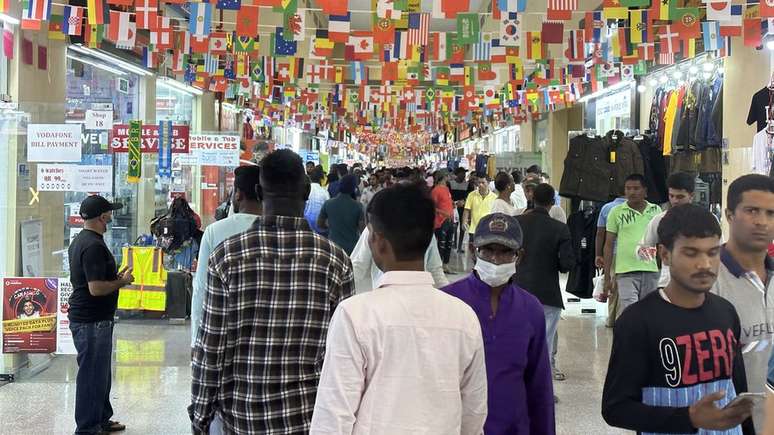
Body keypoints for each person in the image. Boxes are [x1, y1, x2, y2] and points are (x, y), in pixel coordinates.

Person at [190, 150, 355, 435]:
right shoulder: (336, 260)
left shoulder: (227, 256)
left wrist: (200, 414)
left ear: (258, 191)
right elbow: (345, 352)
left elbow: (212, 346)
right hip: (309, 416)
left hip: (242, 417)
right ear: (306, 190)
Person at [310, 184, 487, 434]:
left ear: (379, 242)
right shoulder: (464, 317)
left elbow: (333, 415)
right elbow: (474, 413)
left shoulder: (354, 315)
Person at [602, 204, 754, 435]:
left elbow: (738, 392)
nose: (704, 264)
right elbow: (616, 408)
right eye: (691, 253)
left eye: (713, 252)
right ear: (665, 254)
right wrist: (689, 417)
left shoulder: (725, 313)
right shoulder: (637, 322)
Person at [443, 213, 555, 434]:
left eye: (505, 252)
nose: (495, 259)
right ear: (474, 251)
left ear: (519, 256)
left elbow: (539, 384)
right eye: (488, 250)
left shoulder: (530, 308)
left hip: (513, 427)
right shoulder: (447, 302)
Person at [711, 174, 774, 431]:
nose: (762, 222)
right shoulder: (706, 278)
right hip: (729, 424)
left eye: (771, 213)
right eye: (751, 211)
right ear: (729, 215)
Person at [68, 195, 133, 435]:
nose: (111, 217)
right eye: (108, 213)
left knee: (101, 373)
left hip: (93, 319)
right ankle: (87, 427)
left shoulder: (82, 240)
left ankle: (102, 419)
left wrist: (114, 278)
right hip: (91, 321)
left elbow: (92, 281)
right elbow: (95, 288)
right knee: (91, 375)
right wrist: (122, 282)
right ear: (102, 216)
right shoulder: (93, 245)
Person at [190, 166, 261, 347]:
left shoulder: (216, 231)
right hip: (265, 339)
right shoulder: (278, 230)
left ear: (238, 194)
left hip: (224, 335)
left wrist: (196, 340)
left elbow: (201, 289)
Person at [515, 184, 575, 387]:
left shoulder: (516, 223)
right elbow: (567, 264)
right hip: (548, 294)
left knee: (518, 339)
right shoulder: (559, 228)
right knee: (545, 344)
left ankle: (517, 385)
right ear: (552, 203)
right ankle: (542, 390)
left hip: (517, 292)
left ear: (532, 199)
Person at [602, 174, 661, 316]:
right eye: (628, 188)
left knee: (649, 312)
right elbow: (608, 245)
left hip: (650, 270)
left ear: (645, 191)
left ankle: (645, 339)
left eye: (636, 188)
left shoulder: (656, 210)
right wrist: (607, 278)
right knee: (630, 312)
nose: (631, 192)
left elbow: (661, 241)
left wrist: (662, 268)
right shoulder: (616, 212)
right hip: (625, 271)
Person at [636, 172, 696, 289]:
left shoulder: (706, 219)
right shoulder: (659, 220)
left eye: (680, 197)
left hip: (697, 283)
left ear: (691, 196)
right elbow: (643, 250)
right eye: (671, 196)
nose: (675, 201)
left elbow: (719, 253)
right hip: (667, 284)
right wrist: (652, 254)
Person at [595, 194, 627, 327]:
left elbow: (600, 234)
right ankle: (622, 317)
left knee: (613, 285)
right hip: (630, 253)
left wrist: (598, 254)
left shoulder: (607, 208)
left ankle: (612, 318)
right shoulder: (638, 207)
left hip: (612, 253)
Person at [318, 174, 365, 255]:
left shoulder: (328, 203)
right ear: (354, 187)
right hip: (352, 248)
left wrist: (332, 226)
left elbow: (319, 224)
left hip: (333, 246)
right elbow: (362, 230)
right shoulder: (358, 206)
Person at [152, 196, 201, 271]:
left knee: (172, 269)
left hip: (170, 250)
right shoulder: (191, 218)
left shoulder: (166, 219)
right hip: (185, 249)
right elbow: (198, 226)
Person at [462, 172, 497, 265]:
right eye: (479, 183)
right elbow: (466, 210)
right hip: (474, 229)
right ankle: (475, 265)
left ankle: (483, 267)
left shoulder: (494, 198)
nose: (480, 185)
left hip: (488, 230)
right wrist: (464, 222)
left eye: (483, 183)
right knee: (473, 250)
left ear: (488, 182)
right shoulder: (472, 195)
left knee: (485, 251)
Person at [431, 170, 455, 273]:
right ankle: (439, 267)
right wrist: (443, 213)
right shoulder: (435, 190)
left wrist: (455, 204)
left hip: (450, 219)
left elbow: (448, 203)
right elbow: (431, 207)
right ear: (444, 177)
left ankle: (446, 264)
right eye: (448, 176)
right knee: (441, 243)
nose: (449, 178)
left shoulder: (446, 189)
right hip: (441, 221)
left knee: (449, 243)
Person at [450, 168, 474, 253]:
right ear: (457, 174)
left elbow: (470, 196)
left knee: (462, 226)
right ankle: (455, 243)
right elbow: (449, 196)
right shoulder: (450, 183)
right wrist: (454, 202)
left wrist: (464, 200)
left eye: (464, 173)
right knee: (454, 226)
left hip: (463, 207)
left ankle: (459, 246)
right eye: (462, 173)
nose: (464, 175)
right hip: (453, 207)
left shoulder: (468, 185)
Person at [304, 166, 330, 234]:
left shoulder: (305, 190)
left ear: (310, 178)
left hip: (306, 227)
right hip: (321, 229)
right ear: (320, 179)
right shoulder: (325, 193)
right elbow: (327, 211)